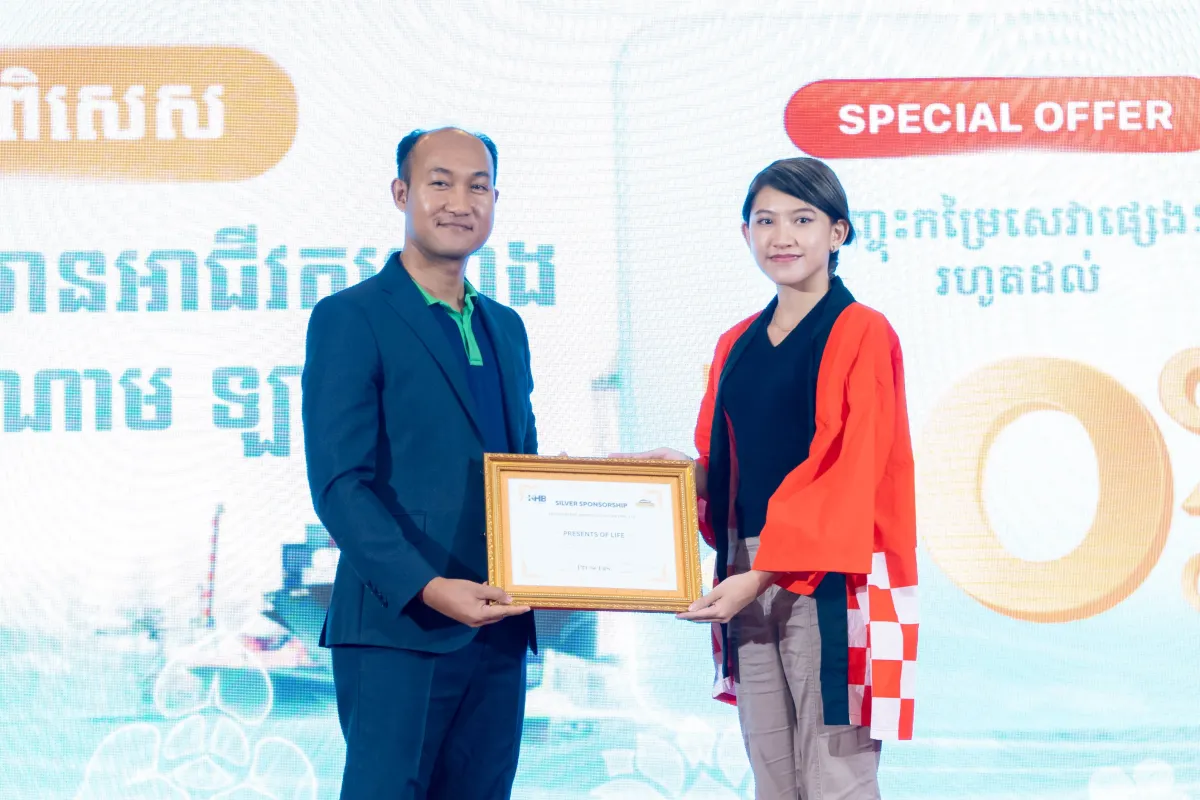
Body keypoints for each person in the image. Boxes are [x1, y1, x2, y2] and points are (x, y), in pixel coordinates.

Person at [622, 157, 918, 799]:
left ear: (838, 233)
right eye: (765, 221)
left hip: (833, 572)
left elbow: (848, 471)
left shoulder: (862, 331)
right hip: (746, 569)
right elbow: (737, 466)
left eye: (802, 220)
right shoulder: (737, 342)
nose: (781, 236)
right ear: (745, 233)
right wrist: (683, 479)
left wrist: (759, 576)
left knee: (836, 773)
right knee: (772, 772)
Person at [301, 127, 538, 800]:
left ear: (495, 201)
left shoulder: (505, 326)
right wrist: (430, 587)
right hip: (397, 626)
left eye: (478, 186)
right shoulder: (350, 317)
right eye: (441, 182)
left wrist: (612, 485)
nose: (461, 201)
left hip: (498, 624)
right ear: (402, 193)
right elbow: (340, 484)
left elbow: (522, 472)